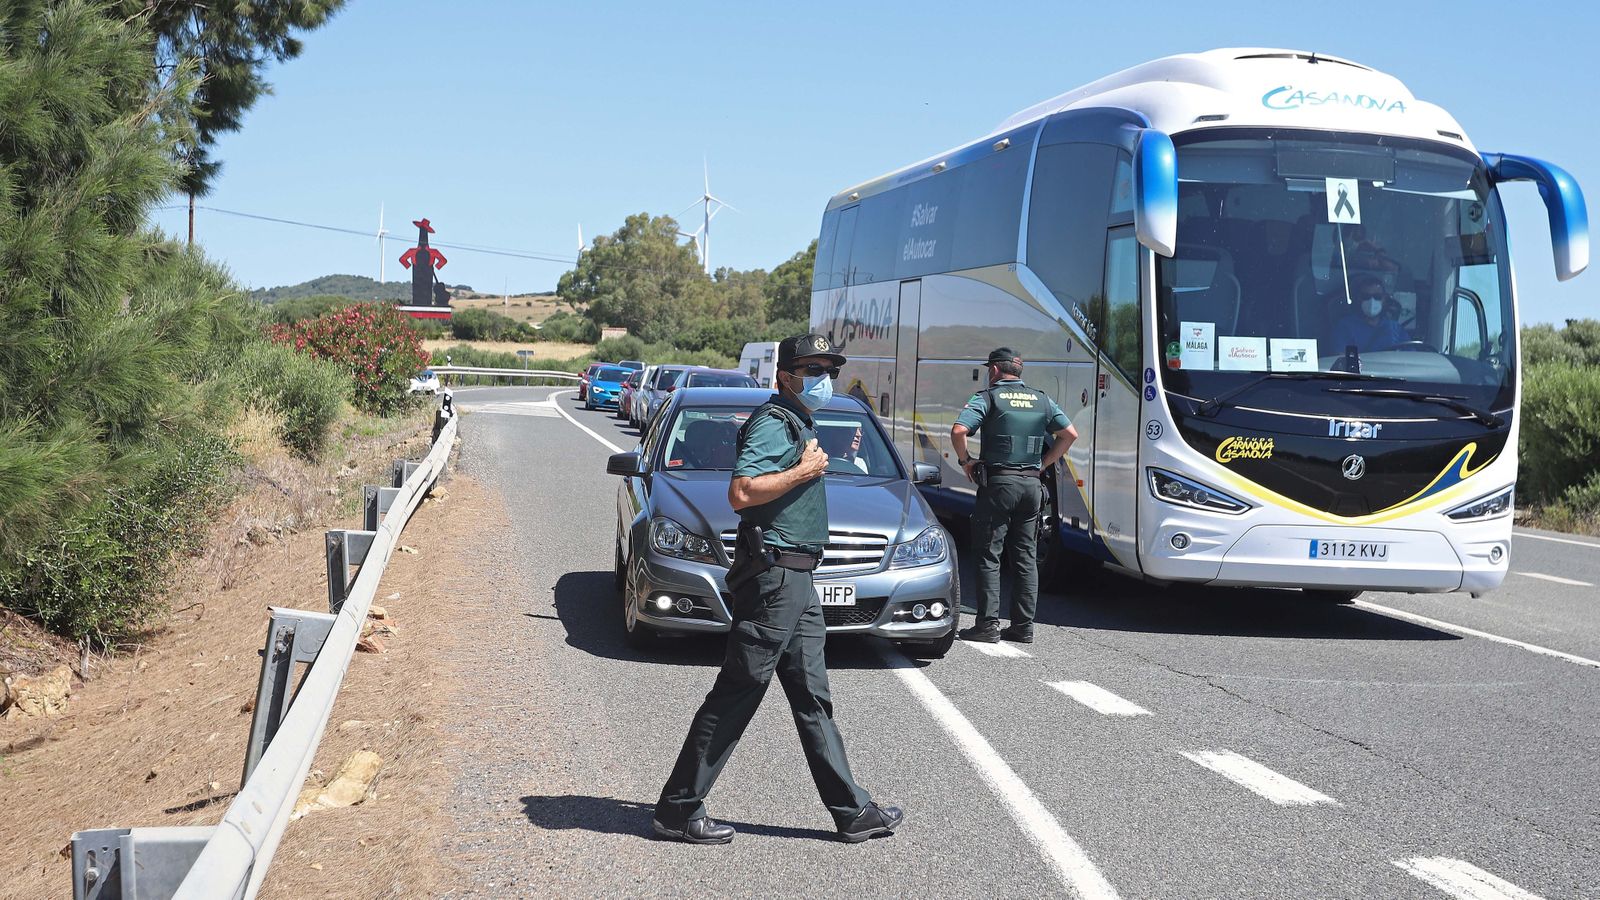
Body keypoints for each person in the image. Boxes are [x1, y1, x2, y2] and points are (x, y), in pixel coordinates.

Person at [653, 333, 902, 845]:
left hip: (799, 580)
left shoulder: (799, 420)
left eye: (829, 369)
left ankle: (852, 811)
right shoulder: (773, 421)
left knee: (813, 696)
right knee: (740, 688)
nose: (824, 378)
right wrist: (802, 470)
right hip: (775, 580)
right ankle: (678, 808)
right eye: (813, 369)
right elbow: (742, 492)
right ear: (785, 376)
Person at [951, 348, 1077, 644]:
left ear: (995, 369)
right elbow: (1070, 434)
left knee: (988, 555)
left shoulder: (988, 397)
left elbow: (958, 431)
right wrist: (1043, 464)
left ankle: (987, 625)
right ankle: (1023, 626)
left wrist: (966, 461)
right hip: (1032, 486)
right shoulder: (1041, 399)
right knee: (1025, 557)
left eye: (989, 369)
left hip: (999, 486)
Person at [1329, 274, 1409, 354]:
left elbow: (1409, 354)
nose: (1372, 301)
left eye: (1377, 296)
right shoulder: (1345, 327)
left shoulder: (1394, 327)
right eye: (1366, 296)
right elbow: (1341, 357)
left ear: (1384, 299)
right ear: (1358, 298)